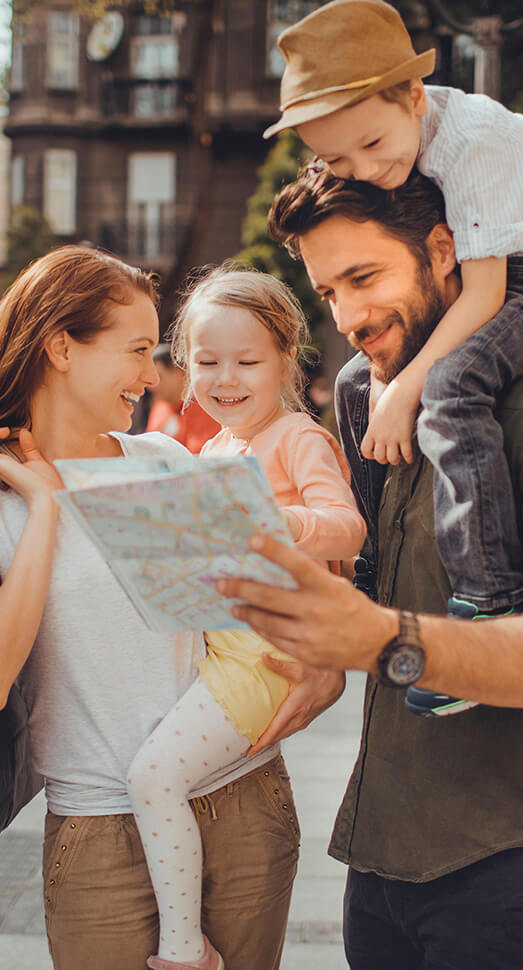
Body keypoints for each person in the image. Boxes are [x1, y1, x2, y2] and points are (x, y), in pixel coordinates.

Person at [216, 164, 523, 970]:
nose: (346, 315)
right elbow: (376, 584)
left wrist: (385, 640)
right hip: (378, 860)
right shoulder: (368, 400)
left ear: (446, 249)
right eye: (329, 290)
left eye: (364, 278)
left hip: (514, 870)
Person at [263, 0, 523, 719]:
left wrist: (407, 395)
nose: (367, 174)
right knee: (359, 383)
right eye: (337, 160)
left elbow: (486, 291)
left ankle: (488, 598)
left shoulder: (475, 142)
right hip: (502, 277)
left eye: (369, 145)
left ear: (415, 96)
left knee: (453, 384)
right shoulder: (377, 145)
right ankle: (371, 576)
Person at [0, 246, 343, 970]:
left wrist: (324, 663)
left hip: (246, 800)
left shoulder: (166, 457)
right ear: (62, 346)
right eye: (134, 350)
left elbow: (261, 595)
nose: (154, 376)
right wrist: (43, 508)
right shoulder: (6, 502)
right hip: (99, 831)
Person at [126, 266, 366, 970]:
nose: (224, 377)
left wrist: (278, 516)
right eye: (206, 361)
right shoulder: (215, 450)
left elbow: (347, 528)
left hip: (263, 658)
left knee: (153, 777)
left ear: (286, 358)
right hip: (222, 645)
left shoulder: (297, 438)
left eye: (247, 361)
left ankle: (183, 947)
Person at [146, 343, 221, 453]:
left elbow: (200, 455)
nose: (152, 386)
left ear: (179, 373)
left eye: (159, 377)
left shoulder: (206, 407)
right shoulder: (159, 408)